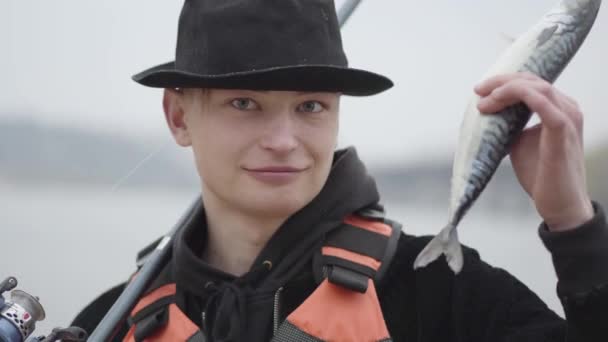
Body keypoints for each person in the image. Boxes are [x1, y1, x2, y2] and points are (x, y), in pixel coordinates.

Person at [72, 0, 608, 341]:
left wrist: (575, 230)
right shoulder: (111, 320)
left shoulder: (442, 294)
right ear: (178, 115)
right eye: (244, 103)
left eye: (310, 106)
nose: (284, 142)